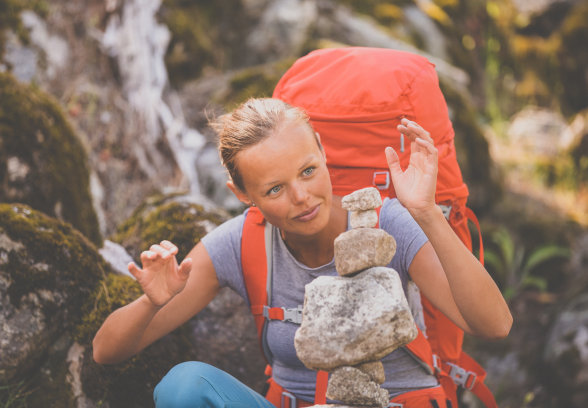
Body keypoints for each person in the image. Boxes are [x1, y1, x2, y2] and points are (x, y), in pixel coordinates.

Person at [92, 98, 513, 407]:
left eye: (308, 171)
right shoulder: (240, 243)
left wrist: (425, 213)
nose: (302, 197)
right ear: (241, 194)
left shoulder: (387, 222)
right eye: (275, 189)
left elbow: (494, 325)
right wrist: (151, 302)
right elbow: (105, 352)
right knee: (183, 386)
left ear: (322, 151)